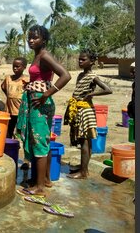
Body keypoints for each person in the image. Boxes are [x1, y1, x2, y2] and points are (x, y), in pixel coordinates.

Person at [16, 25, 71, 197]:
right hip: (36, 101)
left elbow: (66, 75)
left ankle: (39, 187)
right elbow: (42, 77)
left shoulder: (45, 56)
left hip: (40, 103)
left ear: (44, 40)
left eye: (35, 38)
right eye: (29, 37)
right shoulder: (37, 56)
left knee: (39, 142)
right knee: (41, 142)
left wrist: (46, 94)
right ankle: (44, 179)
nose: (31, 40)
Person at [64, 49, 112, 179]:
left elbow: (108, 90)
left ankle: (83, 172)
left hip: (86, 111)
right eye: (79, 59)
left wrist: (91, 94)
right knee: (83, 140)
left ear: (91, 62)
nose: (80, 61)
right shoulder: (80, 75)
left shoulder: (92, 76)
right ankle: (83, 168)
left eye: (83, 59)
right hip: (79, 110)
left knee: (85, 141)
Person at [1, 57, 29, 139]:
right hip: (9, 110)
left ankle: (18, 143)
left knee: (21, 130)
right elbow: (3, 87)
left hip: (21, 111)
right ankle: (8, 144)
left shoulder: (26, 80)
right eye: (14, 66)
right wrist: (10, 96)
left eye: (18, 66)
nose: (15, 68)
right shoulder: (8, 79)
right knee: (9, 129)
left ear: (24, 67)